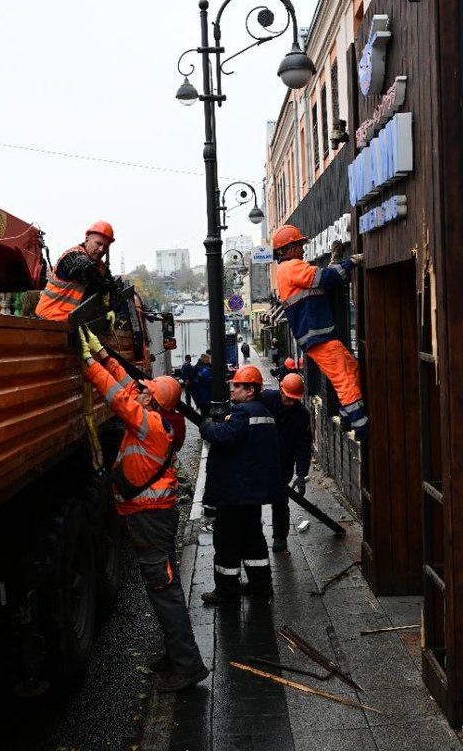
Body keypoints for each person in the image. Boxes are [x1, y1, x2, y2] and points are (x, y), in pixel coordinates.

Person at [76, 326, 208, 692]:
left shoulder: (150, 424)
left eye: (148, 391)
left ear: (155, 402)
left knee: (163, 589)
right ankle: (177, 656)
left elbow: (118, 398)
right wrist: (102, 354)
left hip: (150, 517)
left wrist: (88, 363)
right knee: (162, 587)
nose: (142, 391)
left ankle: (187, 665)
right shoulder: (155, 417)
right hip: (152, 514)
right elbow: (127, 387)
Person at [272, 225, 367, 439]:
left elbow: (320, 283)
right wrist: (352, 262)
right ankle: (361, 426)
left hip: (318, 336)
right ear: (290, 248)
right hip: (318, 337)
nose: (303, 249)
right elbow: (325, 278)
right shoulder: (292, 267)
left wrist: (334, 267)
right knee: (343, 376)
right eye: (300, 245)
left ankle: (347, 416)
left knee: (350, 368)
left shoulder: (287, 270)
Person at [199, 365, 281, 603]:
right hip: (251, 494)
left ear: (250, 390)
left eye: (237, 386)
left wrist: (206, 426)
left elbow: (222, 436)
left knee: (227, 542)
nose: (232, 389)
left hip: (234, 493)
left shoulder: (242, 412)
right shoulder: (265, 413)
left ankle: (227, 592)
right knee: (253, 539)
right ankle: (260, 586)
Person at [261, 372, 311, 553]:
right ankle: (252, 535)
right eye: (288, 398)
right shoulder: (266, 400)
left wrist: (301, 474)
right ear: (281, 391)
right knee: (252, 497)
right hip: (260, 459)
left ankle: (280, 536)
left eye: (294, 400)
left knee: (280, 500)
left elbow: (303, 447)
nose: (290, 403)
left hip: (283, 463)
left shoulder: (302, 415)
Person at [36, 221, 119, 323]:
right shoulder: (72, 256)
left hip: (71, 323)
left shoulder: (101, 268)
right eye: (98, 244)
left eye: (105, 247)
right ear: (87, 239)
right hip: (47, 320)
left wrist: (112, 309)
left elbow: (114, 289)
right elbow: (86, 270)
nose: (101, 249)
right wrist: (106, 289)